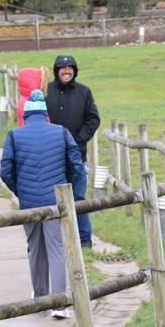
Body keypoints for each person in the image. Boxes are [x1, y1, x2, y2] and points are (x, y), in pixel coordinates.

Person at [0, 90, 84, 319]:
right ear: (45, 114)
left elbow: (6, 171)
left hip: (29, 203)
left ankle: (40, 300)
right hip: (55, 202)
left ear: (25, 115)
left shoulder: (14, 136)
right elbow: (76, 165)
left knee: (35, 249)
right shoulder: (61, 133)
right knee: (56, 249)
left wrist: (20, 190)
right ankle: (59, 304)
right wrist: (70, 191)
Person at [45, 54, 100, 249]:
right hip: (51, 155)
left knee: (78, 198)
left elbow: (93, 119)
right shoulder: (47, 91)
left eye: (70, 67)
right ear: (56, 71)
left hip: (76, 155)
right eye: (62, 67)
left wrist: (78, 140)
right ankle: (59, 241)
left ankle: (84, 241)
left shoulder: (84, 92)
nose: (66, 71)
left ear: (74, 70)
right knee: (52, 198)